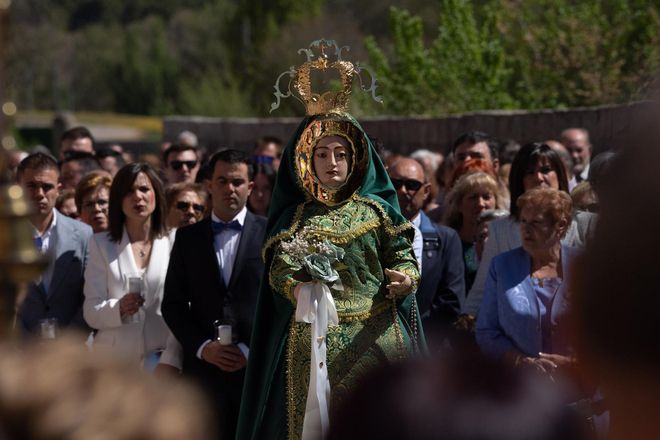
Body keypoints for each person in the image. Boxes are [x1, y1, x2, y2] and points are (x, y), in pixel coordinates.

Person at [237, 112, 422, 440]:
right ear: (308, 160)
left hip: (376, 333)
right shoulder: (295, 218)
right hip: (315, 341)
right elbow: (280, 272)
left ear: (355, 159)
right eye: (322, 154)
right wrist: (298, 289)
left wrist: (406, 279)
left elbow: (403, 256)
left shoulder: (377, 212)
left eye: (341, 154)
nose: (331, 162)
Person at [162, 149, 266, 440]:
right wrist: (203, 347)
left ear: (250, 187)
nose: (229, 189)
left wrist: (249, 351)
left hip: (253, 375)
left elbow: (280, 305)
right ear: (209, 185)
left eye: (236, 181)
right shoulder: (187, 238)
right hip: (203, 377)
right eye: (221, 181)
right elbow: (173, 304)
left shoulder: (272, 234)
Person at [462, 143, 596, 318]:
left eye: (546, 170)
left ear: (560, 175)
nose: (539, 178)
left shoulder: (585, 225)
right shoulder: (500, 230)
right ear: (520, 180)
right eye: (530, 172)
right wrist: (465, 324)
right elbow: (482, 290)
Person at [83, 163, 173, 366]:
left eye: (144, 189)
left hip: (160, 361)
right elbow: (91, 311)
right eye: (129, 191)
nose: (138, 197)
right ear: (118, 200)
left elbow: (184, 308)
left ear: (156, 194)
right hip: (113, 362)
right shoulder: (100, 244)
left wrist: (172, 360)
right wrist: (119, 308)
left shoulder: (173, 241)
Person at [388, 157, 464, 347]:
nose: (403, 191)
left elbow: (452, 300)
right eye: (396, 184)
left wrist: (415, 333)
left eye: (412, 184)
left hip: (429, 346)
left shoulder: (446, 239)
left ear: (426, 191)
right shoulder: (370, 234)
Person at [16, 153, 93, 334]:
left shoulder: (83, 234)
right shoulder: (5, 236)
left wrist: (65, 344)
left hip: (72, 349)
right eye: (32, 186)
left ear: (59, 189)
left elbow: (90, 296)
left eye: (46, 187)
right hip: (18, 351)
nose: (39, 194)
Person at [443, 172, 506, 293]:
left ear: (496, 202)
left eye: (487, 197)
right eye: (473, 197)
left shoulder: (505, 240)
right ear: (459, 204)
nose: (480, 204)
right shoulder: (448, 243)